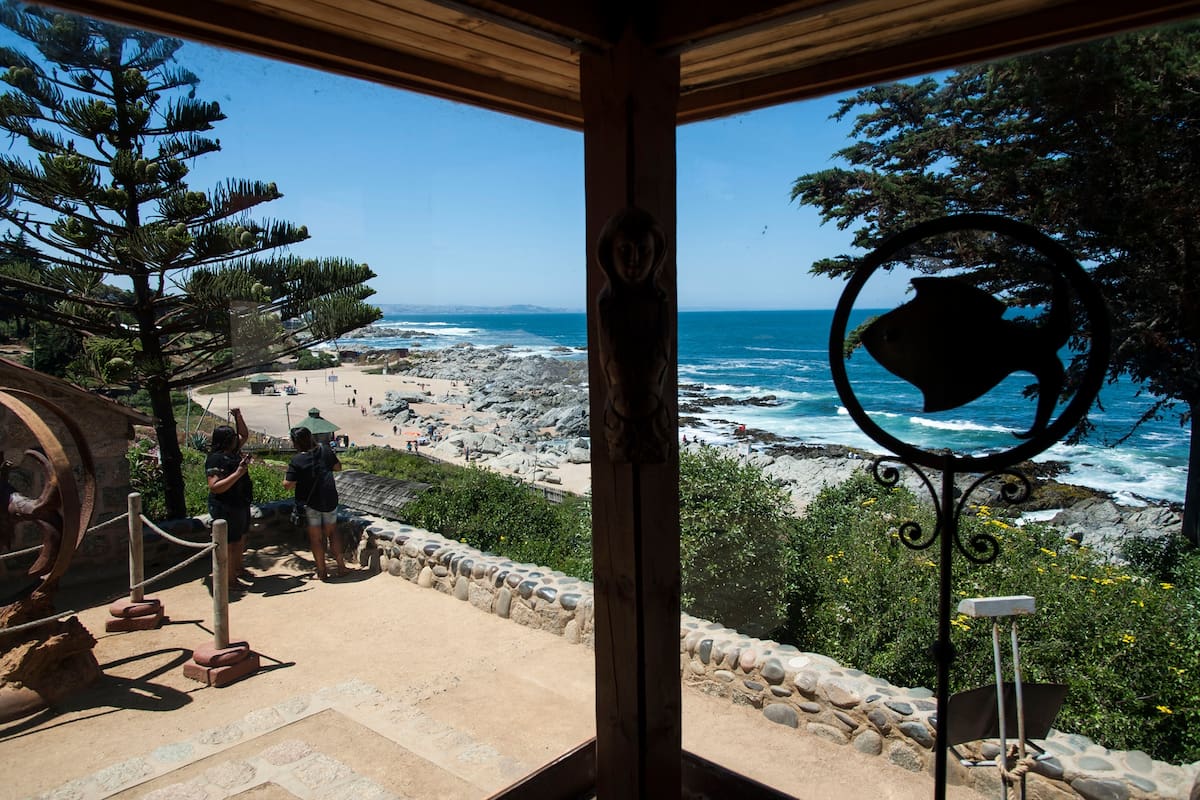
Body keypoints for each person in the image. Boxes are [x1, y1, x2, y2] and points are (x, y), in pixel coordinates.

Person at [284, 427, 349, 581]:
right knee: (333, 533)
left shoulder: (297, 460)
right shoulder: (325, 451)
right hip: (328, 498)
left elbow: (287, 484)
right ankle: (341, 567)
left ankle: (322, 571)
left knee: (316, 538)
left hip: (310, 502)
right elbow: (338, 467)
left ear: (296, 443)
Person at [205, 408, 252, 591]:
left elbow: (244, 434)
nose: (236, 439)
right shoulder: (215, 459)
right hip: (225, 505)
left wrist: (238, 416)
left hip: (240, 502)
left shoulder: (232, 452)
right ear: (227, 441)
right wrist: (239, 473)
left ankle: (237, 569)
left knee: (240, 539)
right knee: (231, 543)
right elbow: (215, 486)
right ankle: (229, 579)